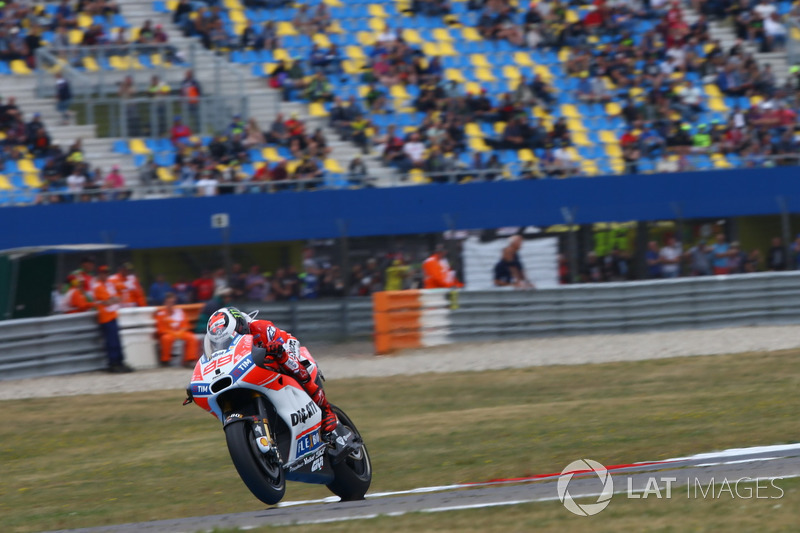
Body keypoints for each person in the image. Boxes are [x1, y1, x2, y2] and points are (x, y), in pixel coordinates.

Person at [204, 307, 339, 435]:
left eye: (230, 338)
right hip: (256, 361)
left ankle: (326, 410)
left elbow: (280, 346)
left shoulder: (261, 328)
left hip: (284, 347)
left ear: (240, 327)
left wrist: (277, 351)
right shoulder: (216, 342)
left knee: (292, 366)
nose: (227, 342)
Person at [94, 266, 133, 372]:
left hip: (113, 315)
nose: (105, 275)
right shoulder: (98, 286)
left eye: (106, 273)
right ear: (99, 274)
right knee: (111, 342)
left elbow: (117, 298)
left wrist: (112, 300)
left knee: (117, 341)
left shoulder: (109, 284)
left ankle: (120, 362)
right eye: (103, 273)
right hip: (105, 317)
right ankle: (113, 363)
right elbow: (108, 301)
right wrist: (112, 300)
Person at [155, 293, 199, 367]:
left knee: (191, 337)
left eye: (173, 302)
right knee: (166, 338)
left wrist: (180, 332)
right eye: (169, 302)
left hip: (180, 333)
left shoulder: (179, 312)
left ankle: (190, 360)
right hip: (168, 333)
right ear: (165, 303)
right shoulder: (161, 314)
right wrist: (173, 333)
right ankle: (165, 360)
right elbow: (161, 329)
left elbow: (185, 325)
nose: (171, 304)